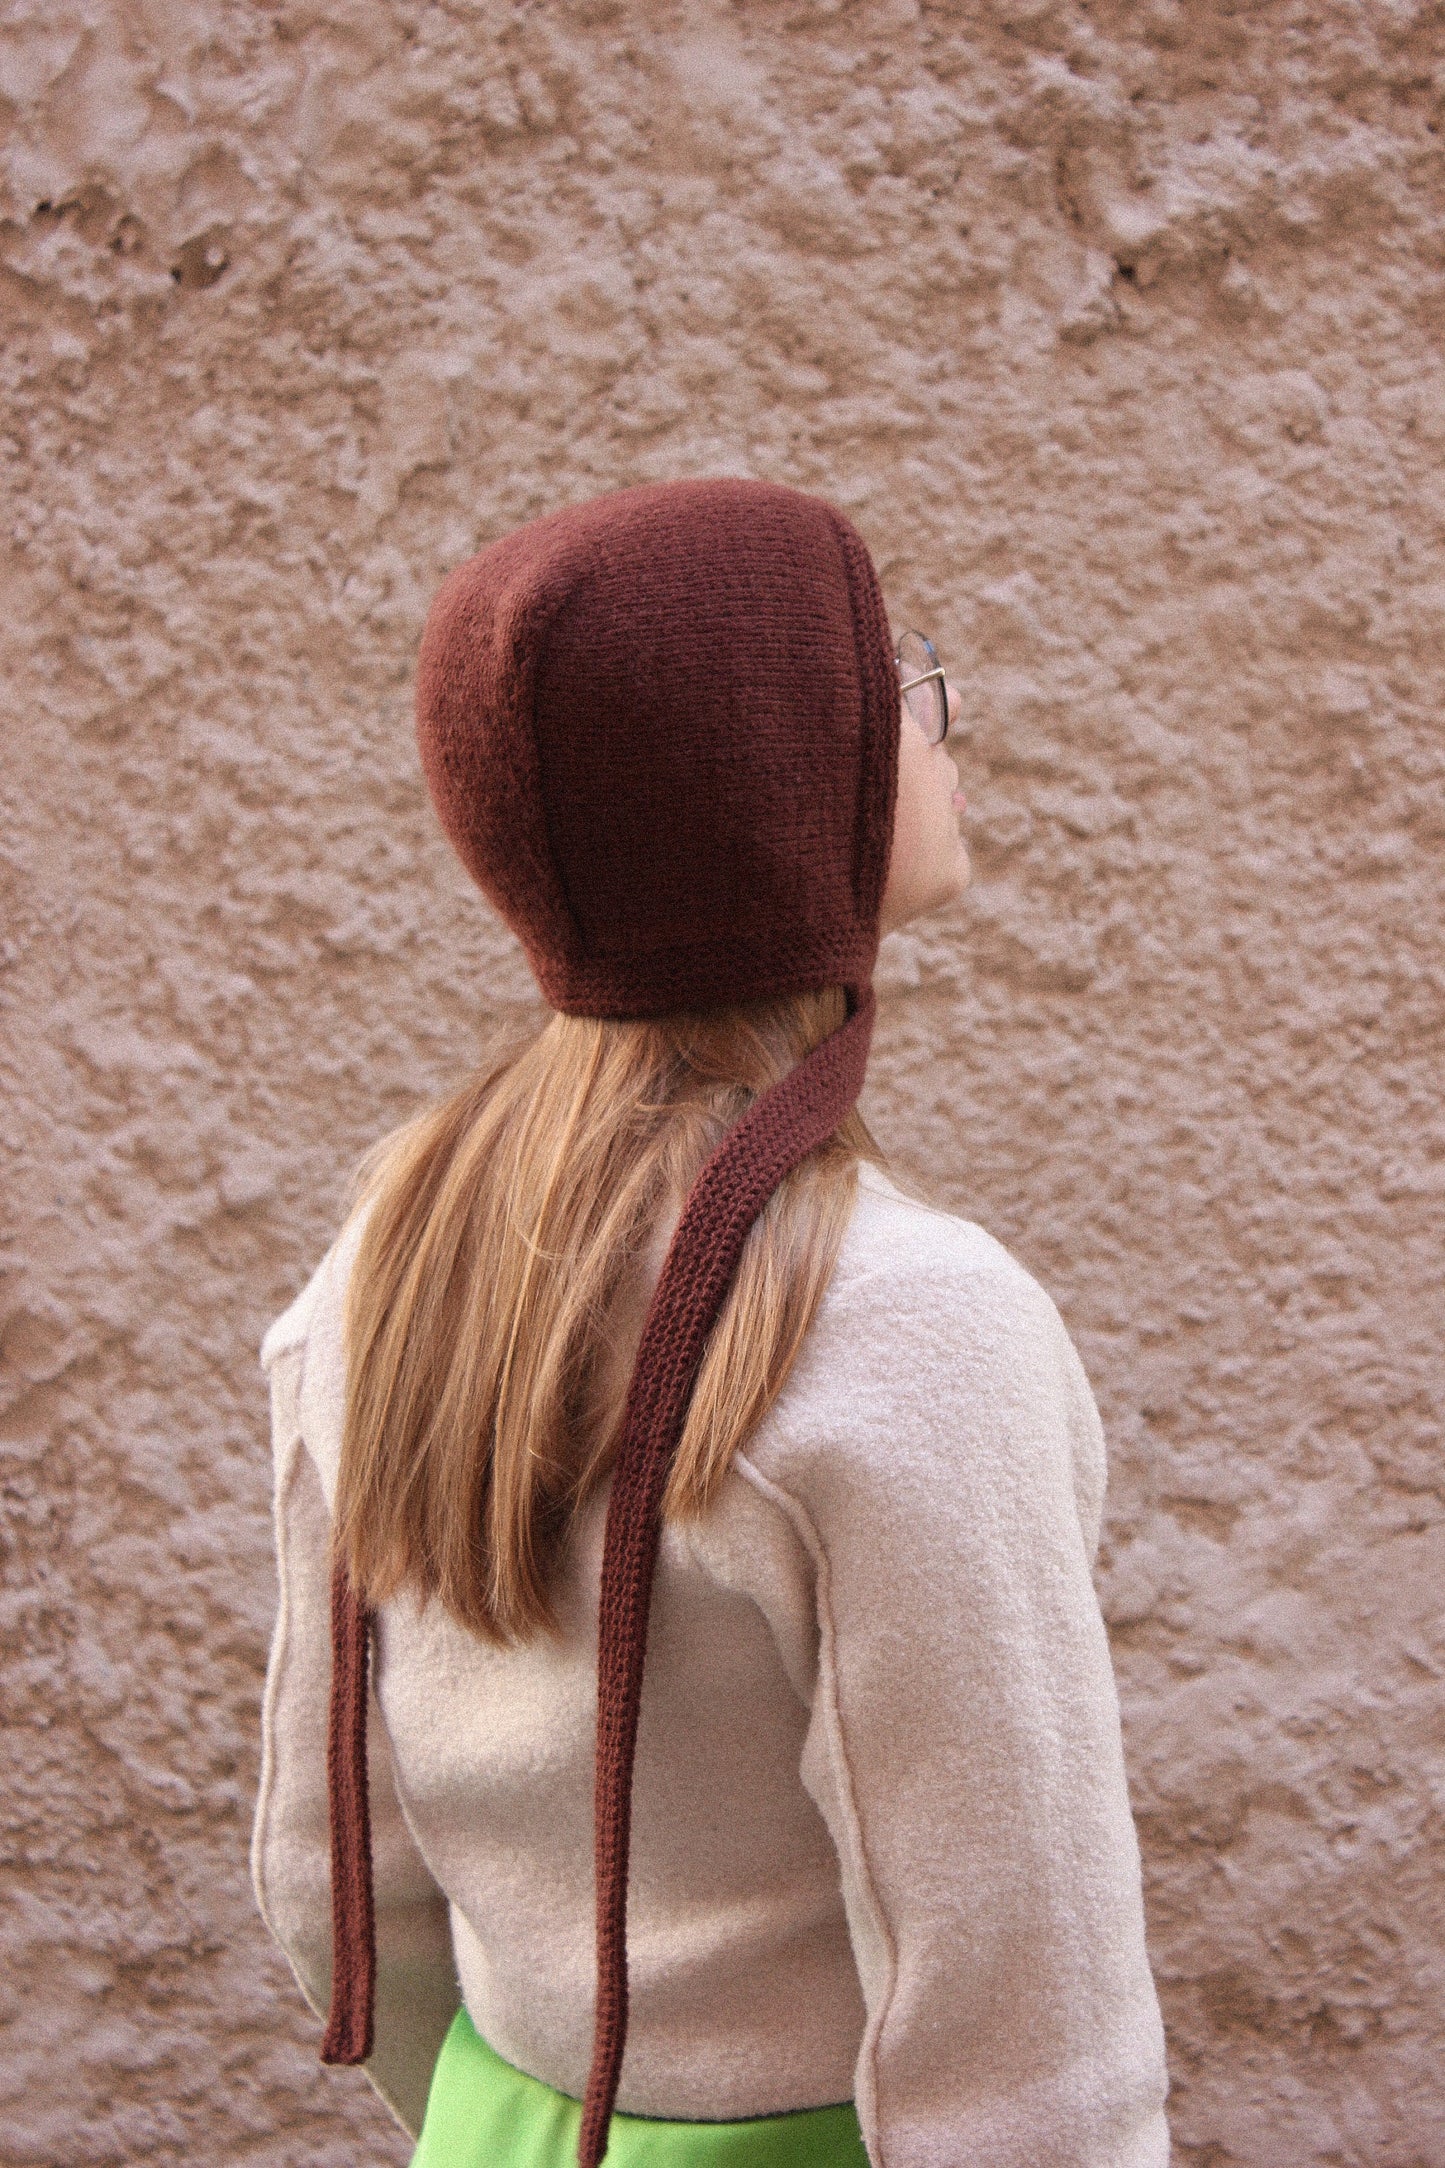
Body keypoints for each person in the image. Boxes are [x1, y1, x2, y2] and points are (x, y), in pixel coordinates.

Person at [251, 477, 1171, 2168]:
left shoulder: (394, 1253)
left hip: (502, 2132)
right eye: (892, 684)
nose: (941, 727)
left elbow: (333, 1884)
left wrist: (510, 2114)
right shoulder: (912, 1324)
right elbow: (1024, 2009)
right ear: (777, 780)